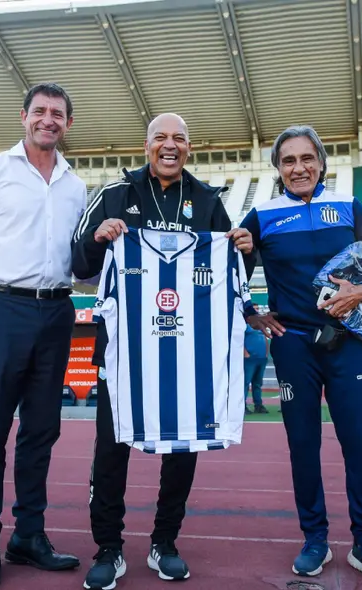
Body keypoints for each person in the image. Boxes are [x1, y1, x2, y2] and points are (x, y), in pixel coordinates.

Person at [71, 112, 254, 590]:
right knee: (111, 450)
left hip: (188, 354)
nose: (169, 146)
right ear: (146, 145)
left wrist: (245, 248)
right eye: (160, 138)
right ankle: (108, 548)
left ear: (189, 147)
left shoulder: (210, 202)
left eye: (179, 139)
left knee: (184, 447)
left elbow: (232, 273)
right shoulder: (114, 196)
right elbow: (78, 262)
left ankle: (164, 541)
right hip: (125, 354)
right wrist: (99, 237)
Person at [0, 82, 88, 589]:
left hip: (56, 313)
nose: (48, 120)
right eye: (40, 111)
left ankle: (29, 535)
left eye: (58, 114)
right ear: (23, 116)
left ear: (68, 124)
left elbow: (80, 265)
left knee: (41, 432)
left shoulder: (75, 186)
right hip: (1, 309)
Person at [239, 125, 362, 583]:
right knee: (303, 446)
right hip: (293, 345)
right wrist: (251, 311)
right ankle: (315, 539)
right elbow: (233, 266)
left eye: (307, 158)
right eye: (288, 161)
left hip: (346, 341)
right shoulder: (262, 215)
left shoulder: (349, 208)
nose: (299, 168)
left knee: (358, 444)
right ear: (278, 169)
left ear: (322, 163)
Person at [244, 324, 269, 413]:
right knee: (245, 383)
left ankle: (258, 405)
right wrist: (245, 353)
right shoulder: (244, 324)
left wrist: (266, 354)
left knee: (258, 383)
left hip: (261, 358)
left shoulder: (260, 324)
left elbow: (265, 338)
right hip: (249, 359)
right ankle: (242, 406)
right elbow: (238, 339)